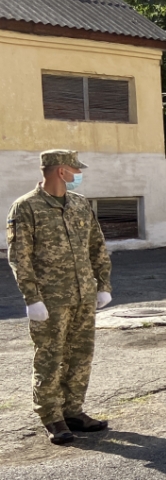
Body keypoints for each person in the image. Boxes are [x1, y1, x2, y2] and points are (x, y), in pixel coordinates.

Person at [7, 149, 113, 444]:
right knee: (51, 357)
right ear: (59, 171)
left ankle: (73, 411)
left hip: (83, 294)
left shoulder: (80, 205)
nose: (78, 175)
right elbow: (20, 257)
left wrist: (103, 284)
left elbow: (97, 246)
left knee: (80, 356)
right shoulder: (25, 208)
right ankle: (52, 417)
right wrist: (32, 298)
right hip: (50, 300)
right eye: (74, 169)